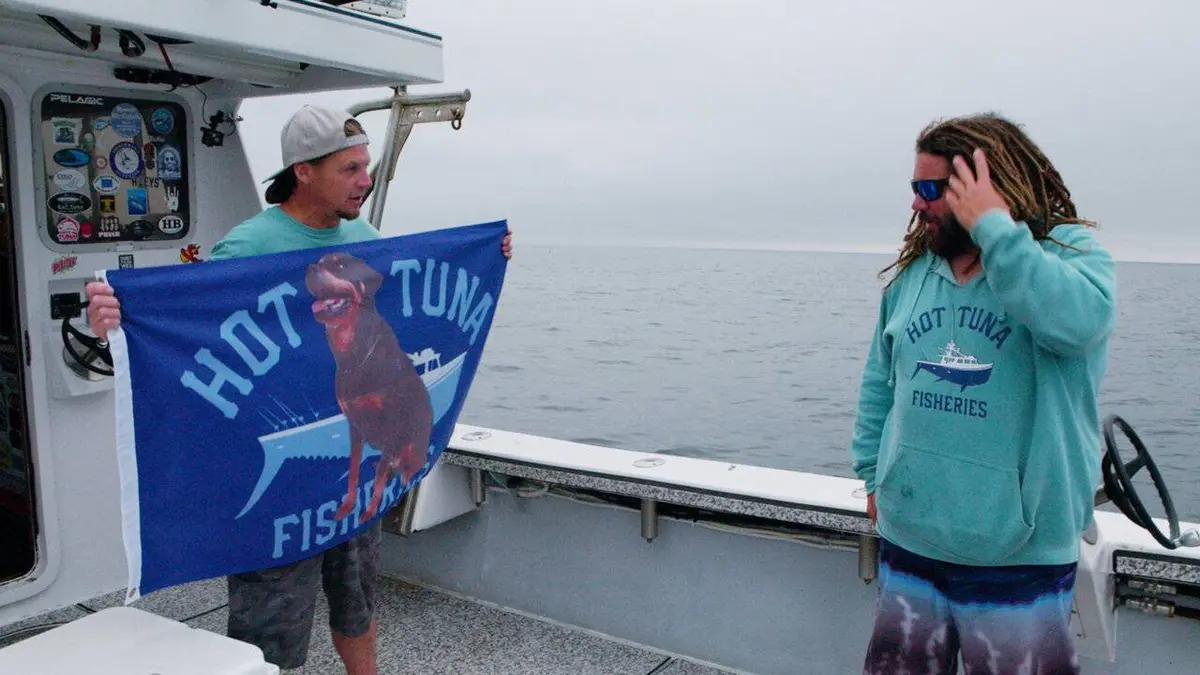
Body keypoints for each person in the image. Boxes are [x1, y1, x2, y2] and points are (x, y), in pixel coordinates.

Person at [85, 103, 513, 673]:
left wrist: (489, 256)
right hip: (280, 503)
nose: (365, 181)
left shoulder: (364, 237)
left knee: (358, 606)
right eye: (350, 169)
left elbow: (405, 315)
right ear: (304, 172)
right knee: (270, 634)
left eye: (366, 166)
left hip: (354, 481)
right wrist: (117, 321)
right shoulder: (247, 248)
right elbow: (192, 337)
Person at [850, 112, 1116, 675]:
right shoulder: (913, 274)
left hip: (1019, 556)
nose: (916, 204)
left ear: (984, 187)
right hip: (911, 538)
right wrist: (873, 475)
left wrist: (995, 229)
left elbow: (1078, 325)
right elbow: (880, 384)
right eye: (914, 188)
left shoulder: (1069, 258)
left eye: (930, 190)